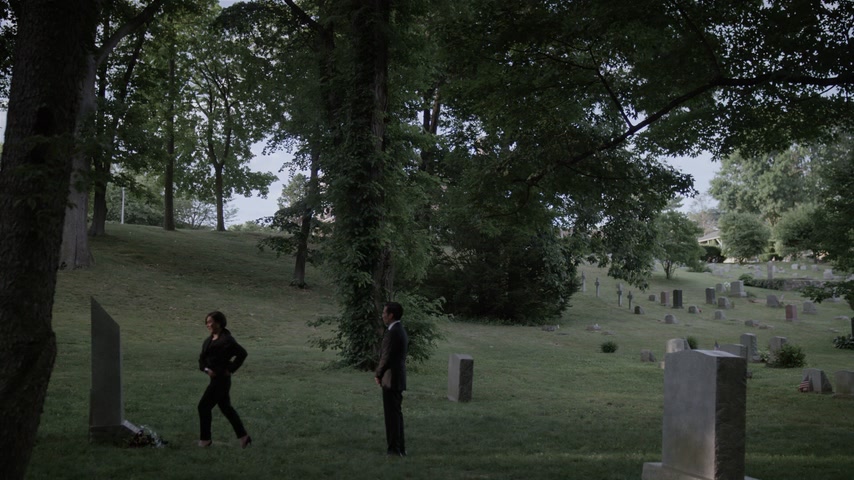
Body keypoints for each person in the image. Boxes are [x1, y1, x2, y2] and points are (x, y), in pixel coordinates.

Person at [197, 311, 252, 448]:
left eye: (211, 322)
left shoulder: (227, 340)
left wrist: (230, 369)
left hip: (222, 380)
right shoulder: (208, 341)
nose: (208, 325)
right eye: (207, 322)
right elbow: (201, 360)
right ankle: (244, 437)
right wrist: (206, 369)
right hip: (214, 379)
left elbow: (242, 353)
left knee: (203, 406)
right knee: (226, 408)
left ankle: (205, 440)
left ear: (219, 323)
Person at [374, 302, 409, 457]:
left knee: (392, 417)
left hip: (391, 379)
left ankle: (394, 450)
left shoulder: (393, 332)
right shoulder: (399, 330)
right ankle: (400, 448)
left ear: (391, 315)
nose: (382, 315)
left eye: (384, 313)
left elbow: (386, 357)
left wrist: (378, 374)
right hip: (397, 378)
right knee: (396, 415)